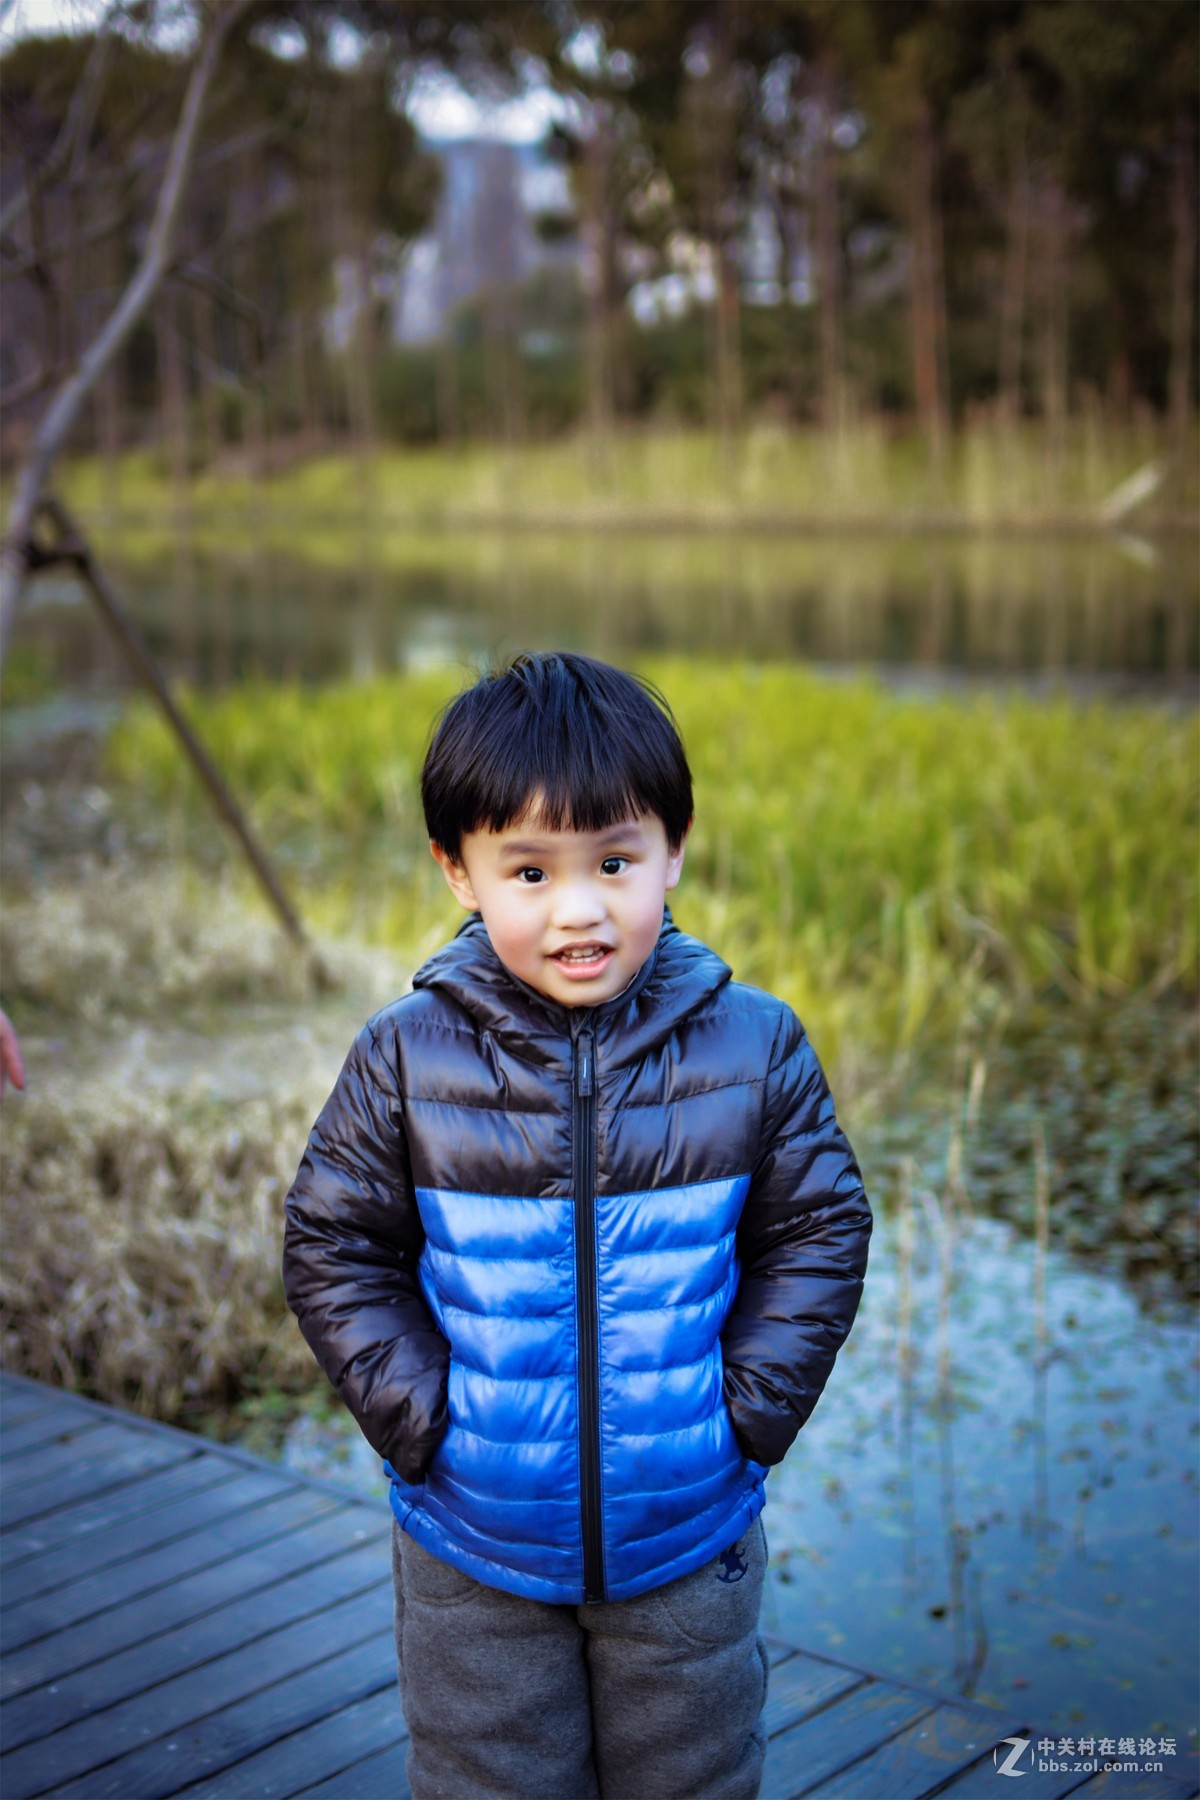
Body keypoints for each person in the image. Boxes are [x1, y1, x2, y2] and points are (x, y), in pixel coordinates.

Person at [282, 652, 871, 1800]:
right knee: (487, 1780)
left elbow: (818, 1232)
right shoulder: (406, 1054)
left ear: (674, 850)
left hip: (686, 1534)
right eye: (529, 870)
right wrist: (425, 1422)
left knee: (694, 1778)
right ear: (457, 871)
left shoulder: (755, 1045)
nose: (580, 909)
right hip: (475, 1542)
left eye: (614, 860)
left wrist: (746, 1412)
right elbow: (333, 1244)